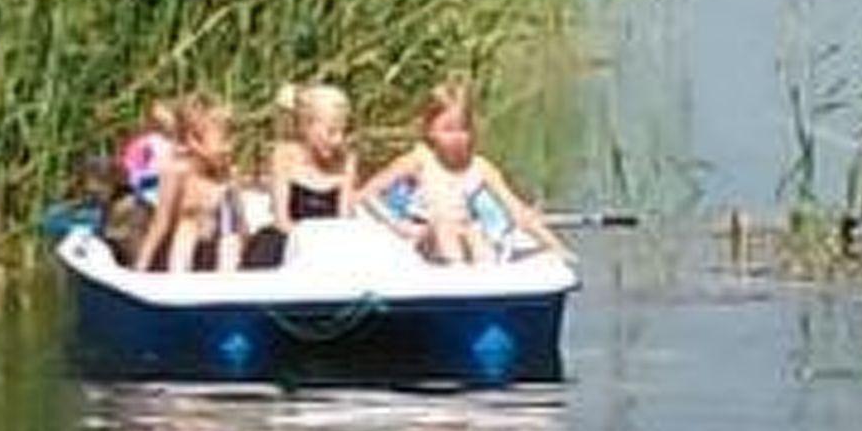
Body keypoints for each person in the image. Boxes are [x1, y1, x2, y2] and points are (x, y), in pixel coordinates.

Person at [356, 82, 569, 264]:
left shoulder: (480, 167)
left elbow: (518, 211)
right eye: (448, 130)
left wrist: (555, 247)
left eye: (463, 129)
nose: (457, 137)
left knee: (475, 233)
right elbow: (367, 195)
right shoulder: (419, 160)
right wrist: (400, 226)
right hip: (428, 235)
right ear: (430, 130)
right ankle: (455, 275)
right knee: (444, 227)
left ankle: (484, 284)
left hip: (465, 229)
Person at [134, 97, 245, 273]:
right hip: (179, 252)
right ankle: (179, 279)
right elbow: (161, 222)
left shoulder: (227, 174)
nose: (228, 148)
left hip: (216, 249)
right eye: (222, 141)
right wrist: (141, 266)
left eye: (230, 140)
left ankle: (227, 280)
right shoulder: (178, 172)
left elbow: (239, 221)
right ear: (194, 142)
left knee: (229, 234)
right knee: (188, 226)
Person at [267, 82, 357, 228]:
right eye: (331, 132)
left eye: (343, 132)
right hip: (290, 238)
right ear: (307, 126)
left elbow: (344, 217)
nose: (338, 140)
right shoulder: (284, 156)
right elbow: (281, 221)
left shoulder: (346, 160)